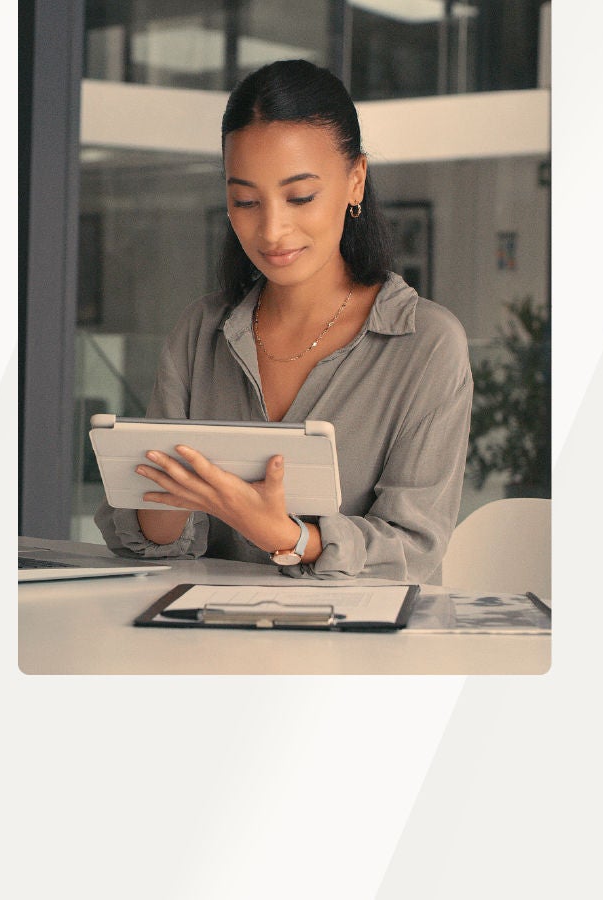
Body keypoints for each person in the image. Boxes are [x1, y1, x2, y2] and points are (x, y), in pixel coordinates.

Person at [96, 59, 471, 583]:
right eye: (245, 200)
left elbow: (414, 548)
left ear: (356, 180)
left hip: (360, 651)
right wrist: (171, 496)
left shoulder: (425, 344)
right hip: (210, 645)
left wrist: (285, 536)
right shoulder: (200, 331)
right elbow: (149, 545)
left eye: (300, 197)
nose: (272, 229)